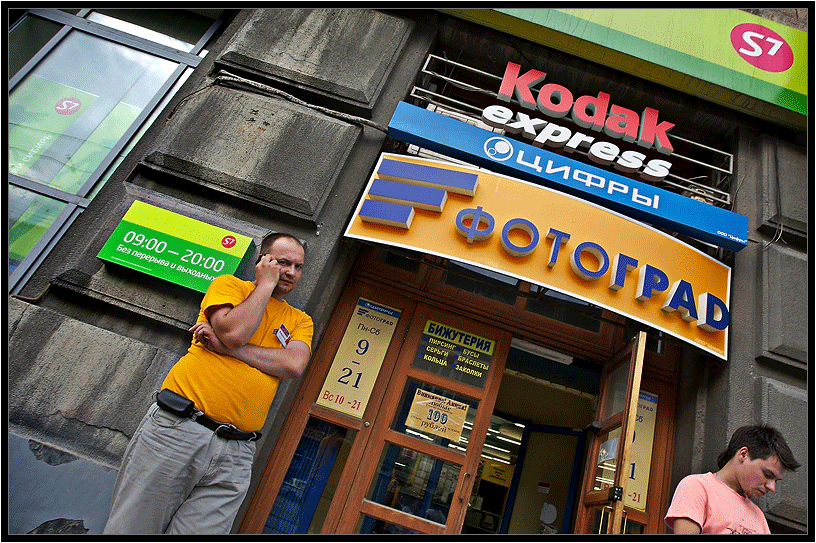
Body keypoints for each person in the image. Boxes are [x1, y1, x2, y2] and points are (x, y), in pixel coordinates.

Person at [104, 232, 313, 534]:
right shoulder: (230, 286)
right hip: (180, 430)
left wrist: (227, 350)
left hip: (237, 452)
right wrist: (265, 285)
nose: (291, 272)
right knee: (133, 529)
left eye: (298, 266)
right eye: (283, 263)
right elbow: (234, 333)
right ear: (262, 261)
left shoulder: (301, 320)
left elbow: (293, 365)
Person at [664, 424, 800, 534]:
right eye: (767, 474)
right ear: (743, 454)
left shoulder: (758, 516)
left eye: (776, 481)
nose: (772, 487)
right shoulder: (697, 487)